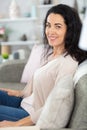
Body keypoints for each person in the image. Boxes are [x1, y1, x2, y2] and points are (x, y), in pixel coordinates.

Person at [0, 4, 87, 127]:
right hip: (24, 102)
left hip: (29, 115)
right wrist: (21, 93)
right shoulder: (53, 53)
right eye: (48, 25)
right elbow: (38, 79)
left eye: (58, 26)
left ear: (70, 30)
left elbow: (52, 107)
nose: (50, 31)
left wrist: (17, 124)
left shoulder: (68, 63)